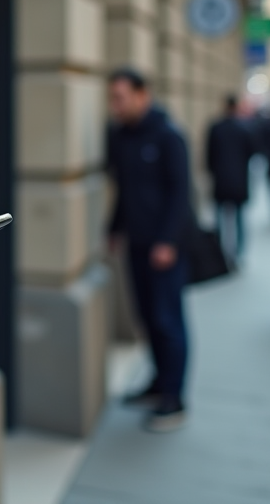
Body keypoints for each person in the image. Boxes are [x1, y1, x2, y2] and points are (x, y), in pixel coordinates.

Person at [106, 68, 191, 433]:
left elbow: (181, 193)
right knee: (146, 317)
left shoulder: (169, 136)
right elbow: (124, 191)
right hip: (137, 245)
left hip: (164, 248)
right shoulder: (123, 137)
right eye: (112, 98)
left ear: (143, 95)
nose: (115, 106)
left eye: (120, 98)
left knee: (167, 320)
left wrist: (168, 241)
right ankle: (158, 384)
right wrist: (114, 229)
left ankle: (174, 399)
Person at [205, 94, 256, 258]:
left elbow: (209, 155)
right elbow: (252, 152)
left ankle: (220, 252)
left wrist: (213, 172)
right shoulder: (244, 128)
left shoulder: (216, 127)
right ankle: (238, 254)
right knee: (239, 218)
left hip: (221, 178)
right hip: (239, 179)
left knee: (220, 217)